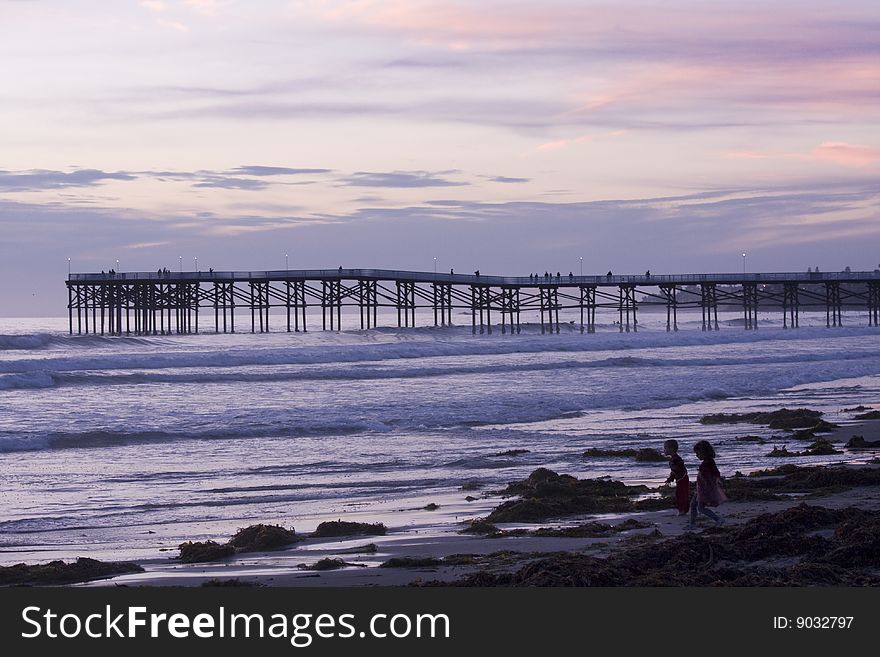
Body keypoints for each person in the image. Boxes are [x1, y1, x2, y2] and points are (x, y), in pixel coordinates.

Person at [686, 440, 726, 529]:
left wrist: (717, 480)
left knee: (700, 508)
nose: (696, 455)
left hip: (705, 489)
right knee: (693, 505)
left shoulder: (708, 463)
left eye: (698, 453)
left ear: (704, 452)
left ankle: (718, 519)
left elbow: (715, 474)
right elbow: (715, 473)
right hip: (700, 488)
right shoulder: (708, 462)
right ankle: (692, 524)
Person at [663, 439, 689, 515]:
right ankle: (682, 509)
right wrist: (671, 478)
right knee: (679, 494)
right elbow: (674, 471)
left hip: (682, 478)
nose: (664, 450)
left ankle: (683, 510)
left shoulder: (676, 459)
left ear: (671, 449)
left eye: (665, 448)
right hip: (680, 478)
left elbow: (676, 469)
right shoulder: (673, 459)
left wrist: (671, 477)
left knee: (682, 494)